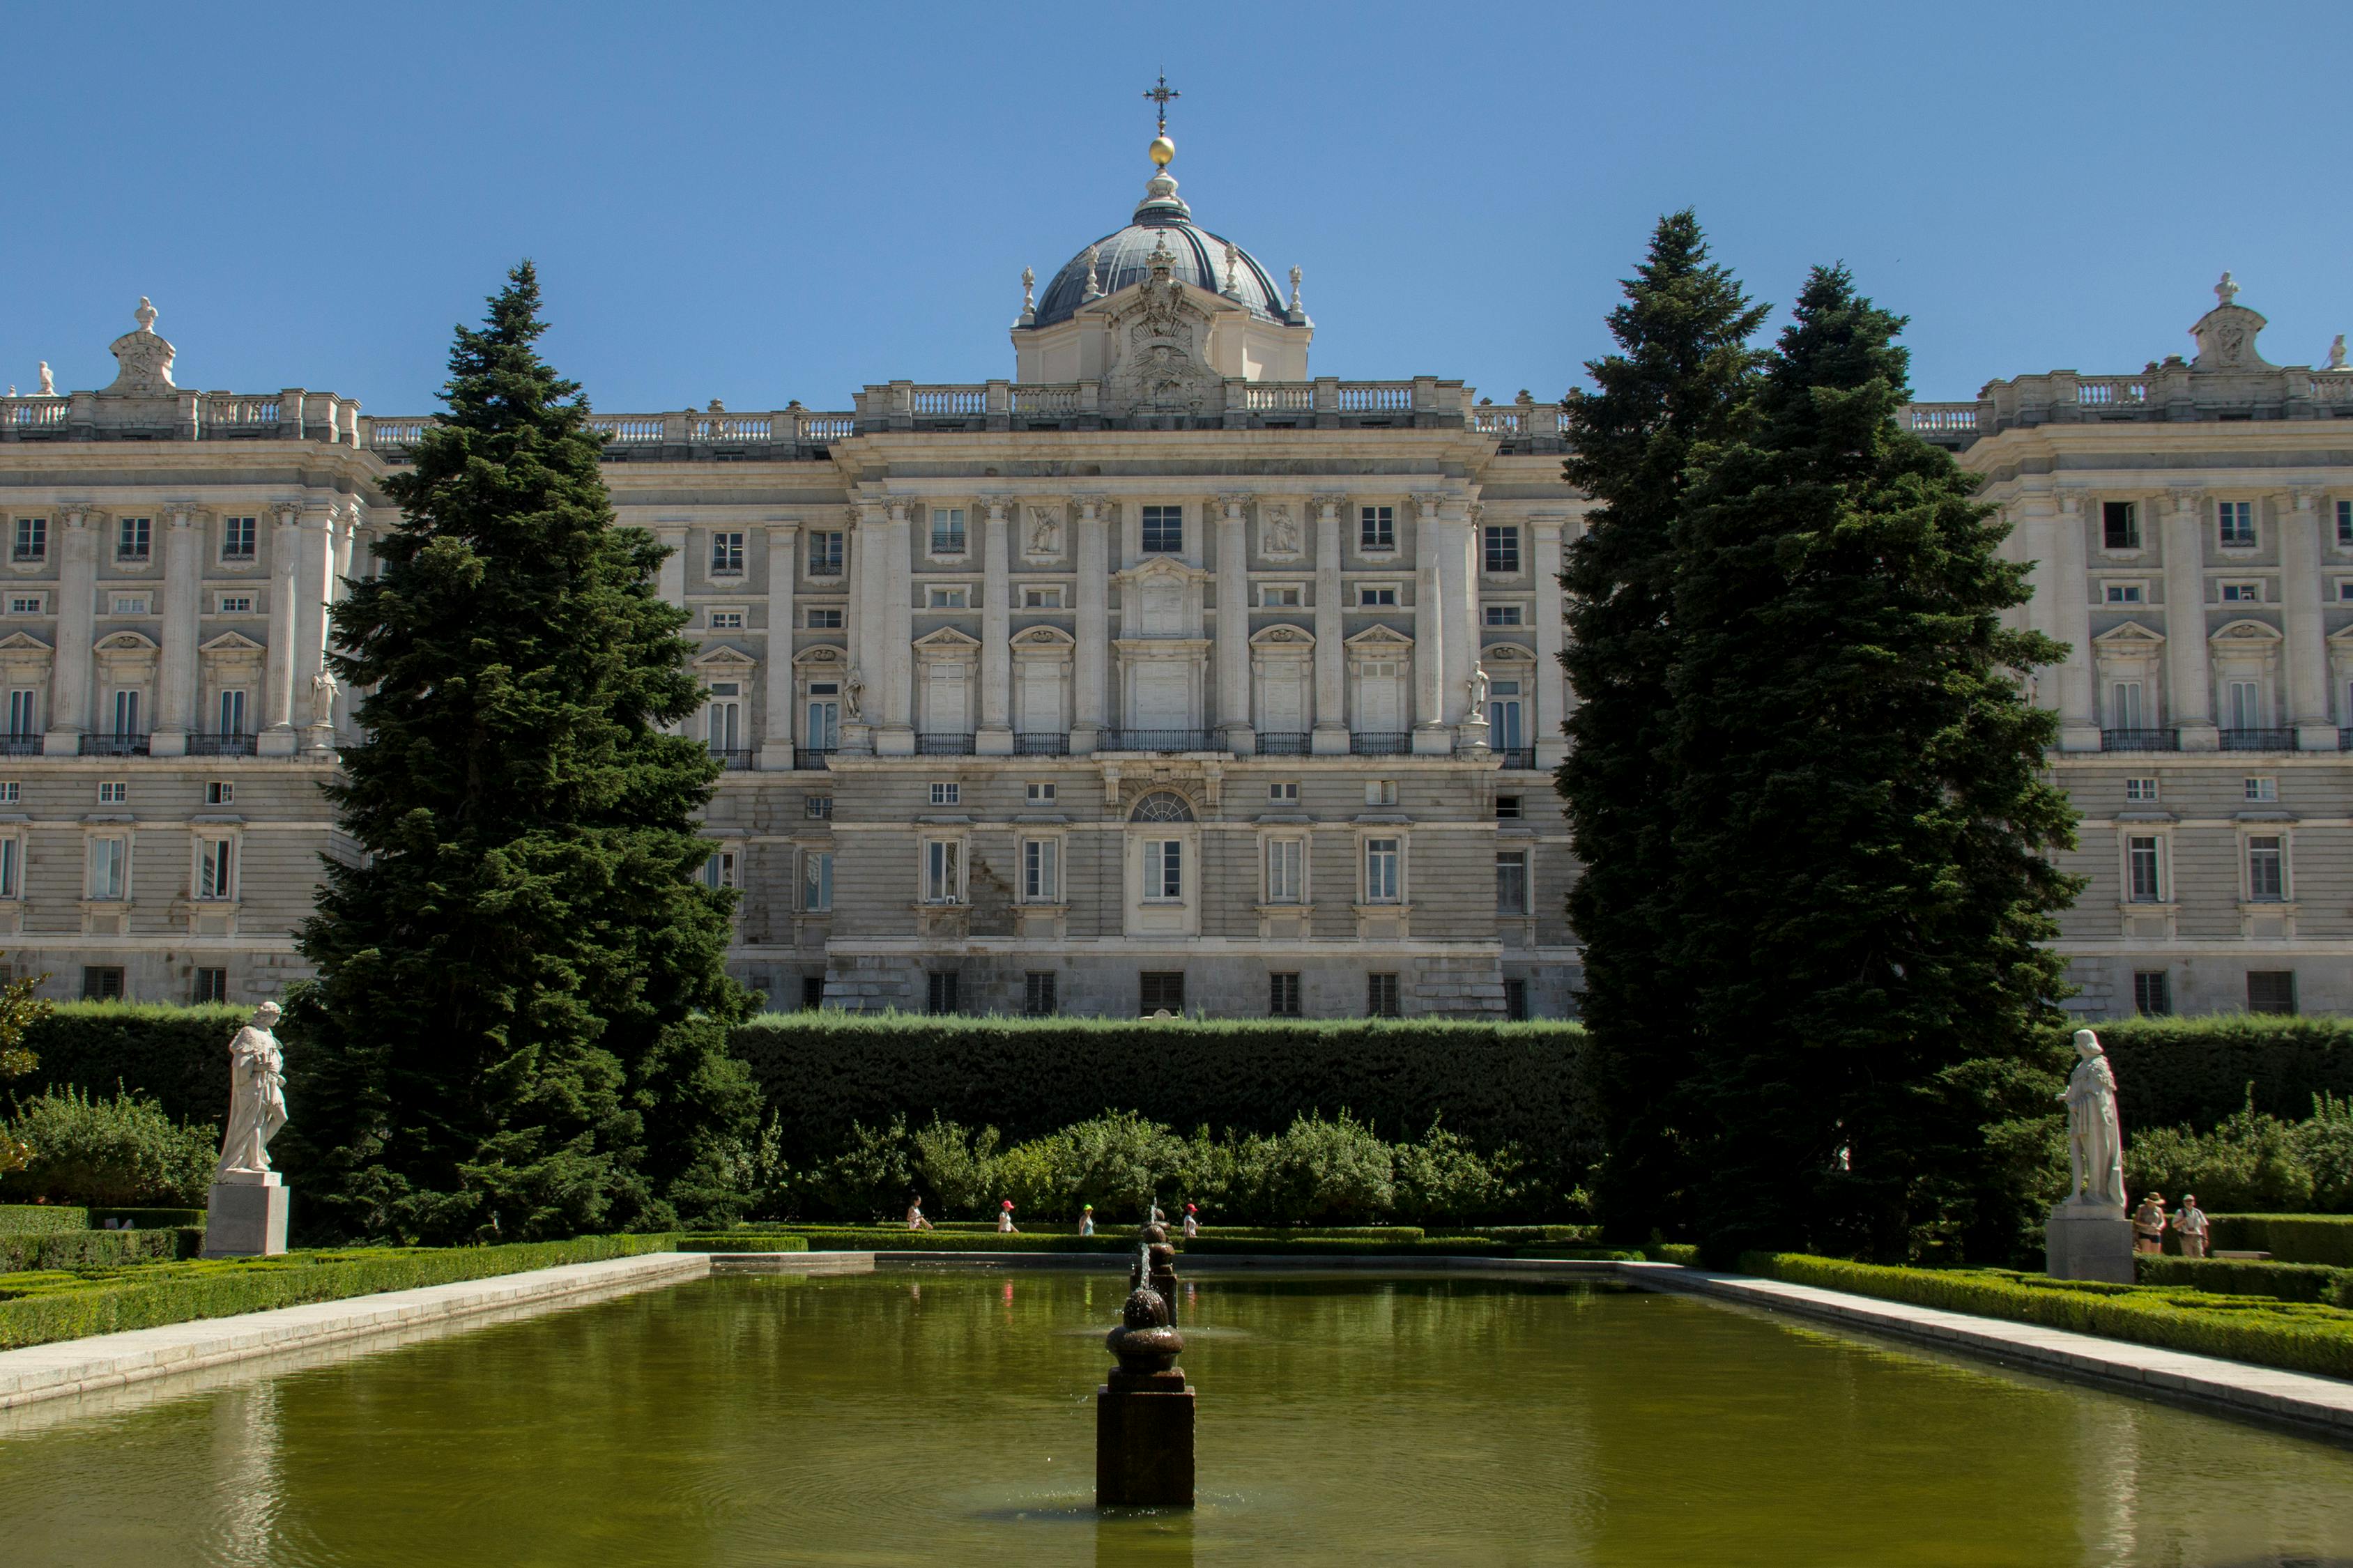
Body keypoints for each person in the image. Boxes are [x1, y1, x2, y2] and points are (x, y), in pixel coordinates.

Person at [2172, 1193, 2210, 1259]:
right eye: (2186, 1201)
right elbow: (2174, 1225)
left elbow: (2203, 1226)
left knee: (2199, 1256)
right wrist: (2182, 1221)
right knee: (2188, 1257)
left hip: (2197, 1237)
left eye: (2190, 1201)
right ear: (2184, 1202)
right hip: (2186, 1237)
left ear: (2194, 1202)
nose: (2188, 1202)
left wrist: (2205, 1239)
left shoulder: (2198, 1212)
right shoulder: (2180, 1212)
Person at [2131, 1191, 2168, 1255]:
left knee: (2156, 1254)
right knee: (2146, 1253)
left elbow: (2163, 1221)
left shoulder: (2159, 1210)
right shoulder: (2141, 1208)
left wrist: (2159, 1227)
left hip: (2155, 1233)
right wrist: (2146, 1224)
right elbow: (2136, 1221)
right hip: (2144, 1232)